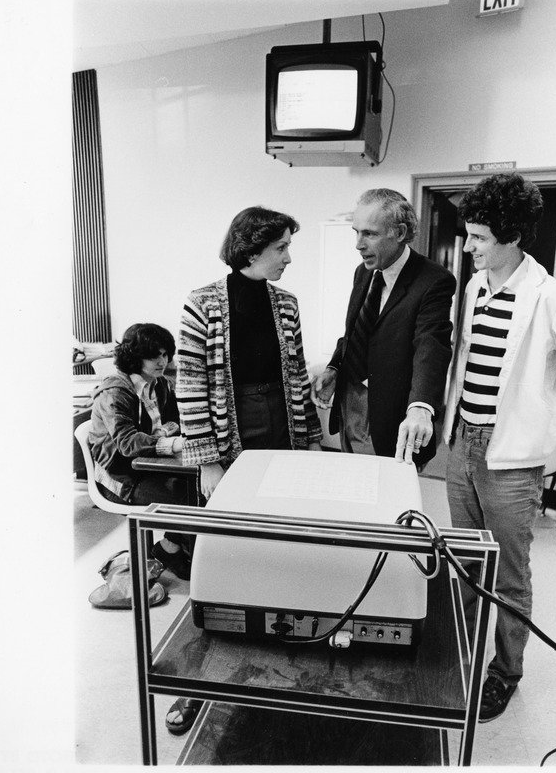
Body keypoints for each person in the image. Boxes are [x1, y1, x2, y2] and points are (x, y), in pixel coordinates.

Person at [442, 172, 556, 722]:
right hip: (463, 445)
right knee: (464, 560)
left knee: (509, 573)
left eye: (480, 238)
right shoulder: (474, 287)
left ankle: (504, 671)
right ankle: (459, 655)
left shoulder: (552, 299)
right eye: (469, 235)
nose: (469, 247)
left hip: (512, 462)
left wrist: (552, 428)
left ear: (512, 237)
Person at [166, 205, 323, 734]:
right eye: (281, 247)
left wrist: (312, 442)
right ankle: (201, 676)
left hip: (282, 425)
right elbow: (188, 382)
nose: (288, 257)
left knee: (278, 540)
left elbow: (297, 375)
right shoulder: (202, 302)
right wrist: (207, 459)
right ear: (252, 250)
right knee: (221, 551)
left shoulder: (287, 304)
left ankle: (276, 652)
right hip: (228, 434)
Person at [312, 188, 456, 468]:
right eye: (356, 232)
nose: (358, 244)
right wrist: (334, 368)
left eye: (370, 234)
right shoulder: (364, 271)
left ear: (399, 233)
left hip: (389, 415)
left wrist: (421, 407)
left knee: (385, 499)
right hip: (350, 403)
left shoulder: (433, 280)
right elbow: (355, 331)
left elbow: (431, 346)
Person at [88, 323, 191, 579]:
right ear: (134, 357)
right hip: (119, 480)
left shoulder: (160, 385)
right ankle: (173, 549)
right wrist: (170, 441)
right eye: (153, 355)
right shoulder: (116, 391)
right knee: (191, 499)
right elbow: (127, 443)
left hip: (147, 467)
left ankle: (171, 546)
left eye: (166, 354)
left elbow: (176, 421)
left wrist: (164, 434)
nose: (163, 361)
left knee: (199, 487)